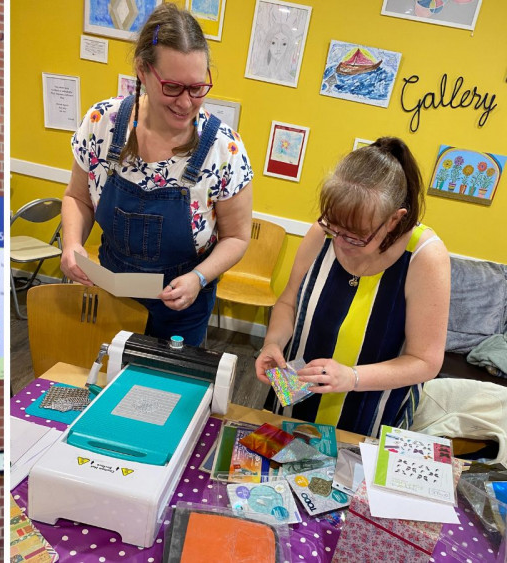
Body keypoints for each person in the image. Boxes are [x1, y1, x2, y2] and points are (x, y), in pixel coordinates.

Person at [60, 3, 253, 346]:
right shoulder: (101, 123)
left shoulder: (224, 150)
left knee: (166, 393)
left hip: (182, 305)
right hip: (111, 293)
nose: (186, 102)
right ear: (142, 71)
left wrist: (199, 277)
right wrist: (72, 244)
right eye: (173, 87)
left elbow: (237, 238)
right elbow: (77, 197)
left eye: (198, 87)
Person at [255, 137, 450, 437]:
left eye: (357, 237)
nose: (341, 243)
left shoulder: (424, 258)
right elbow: (288, 304)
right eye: (334, 228)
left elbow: (425, 362)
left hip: (369, 414)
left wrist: (353, 377)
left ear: (394, 220)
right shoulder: (322, 233)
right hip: (295, 400)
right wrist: (272, 343)